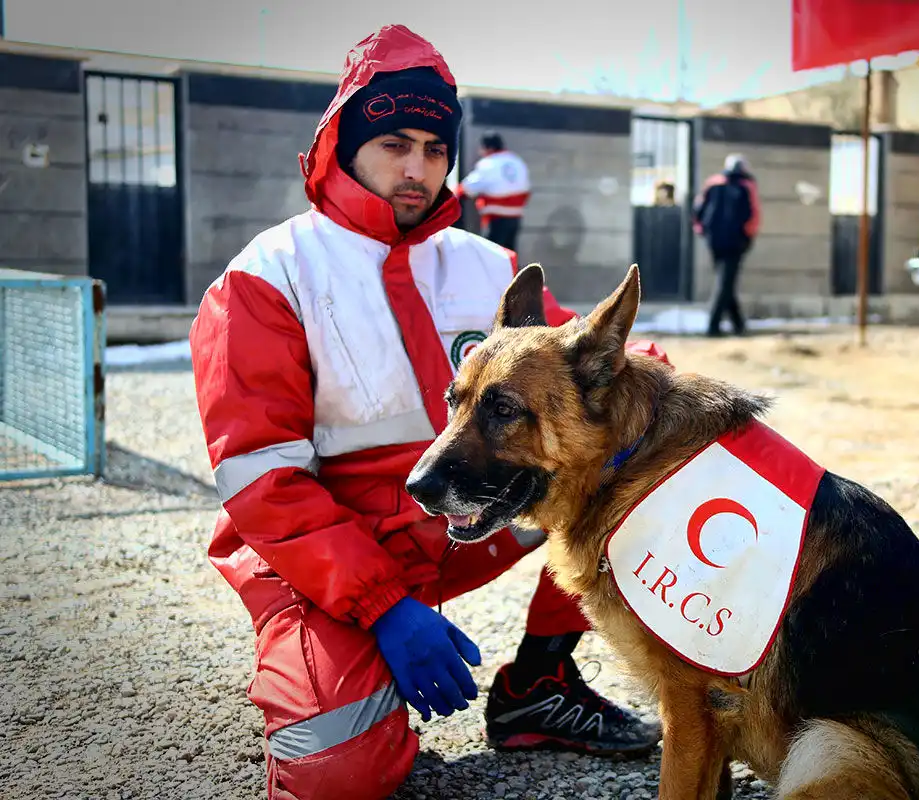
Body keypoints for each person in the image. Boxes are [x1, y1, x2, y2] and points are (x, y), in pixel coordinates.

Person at [188, 25, 666, 800]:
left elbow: (589, 372)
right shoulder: (267, 277)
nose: (418, 170)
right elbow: (261, 487)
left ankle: (538, 686)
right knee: (340, 774)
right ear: (345, 144)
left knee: (632, 472)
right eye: (395, 145)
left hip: (458, 521)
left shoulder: (485, 264)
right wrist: (380, 608)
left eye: (436, 149)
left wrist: (672, 397)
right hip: (327, 561)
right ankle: (350, 690)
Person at [693, 153, 761, 337]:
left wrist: (702, 230)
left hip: (714, 240)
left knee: (726, 282)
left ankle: (738, 325)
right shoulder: (747, 186)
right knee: (725, 283)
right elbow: (753, 215)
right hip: (736, 242)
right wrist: (748, 237)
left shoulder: (713, 183)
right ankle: (713, 326)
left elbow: (698, 209)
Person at [454, 131, 530, 252]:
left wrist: (454, 193)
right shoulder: (516, 161)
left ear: (488, 147)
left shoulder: (488, 163)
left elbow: (468, 189)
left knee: (491, 254)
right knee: (509, 255)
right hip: (515, 218)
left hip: (496, 219)